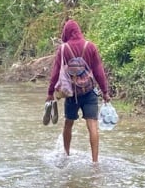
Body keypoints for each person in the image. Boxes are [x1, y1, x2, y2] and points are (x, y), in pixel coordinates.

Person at [45, 19, 111, 163]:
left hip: (71, 94)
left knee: (68, 123)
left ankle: (66, 154)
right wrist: (105, 91)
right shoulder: (90, 46)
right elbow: (99, 71)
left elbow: (55, 73)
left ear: (67, 32)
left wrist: (50, 93)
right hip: (89, 92)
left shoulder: (63, 49)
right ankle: (95, 161)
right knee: (92, 125)